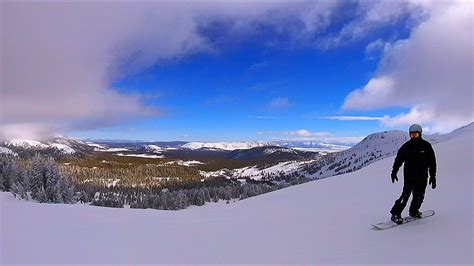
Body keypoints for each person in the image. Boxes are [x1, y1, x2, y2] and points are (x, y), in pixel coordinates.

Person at [390, 124, 437, 224]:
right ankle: (395, 214)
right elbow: (398, 160)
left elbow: (432, 162)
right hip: (409, 175)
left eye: (416, 135)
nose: (414, 137)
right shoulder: (406, 147)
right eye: (412, 135)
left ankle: (414, 211)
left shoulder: (426, 146)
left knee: (419, 196)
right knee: (405, 196)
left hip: (422, 175)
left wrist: (433, 176)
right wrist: (394, 171)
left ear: (420, 134)